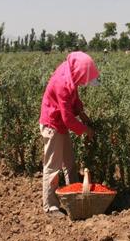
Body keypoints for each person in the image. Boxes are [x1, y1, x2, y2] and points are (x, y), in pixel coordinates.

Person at [39, 52, 99, 217]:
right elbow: (67, 118)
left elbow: (75, 98)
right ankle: (50, 207)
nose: (84, 82)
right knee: (53, 166)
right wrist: (86, 131)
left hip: (61, 124)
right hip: (52, 125)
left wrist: (83, 114)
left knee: (70, 163)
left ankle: (73, 196)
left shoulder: (71, 73)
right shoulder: (62, 83)